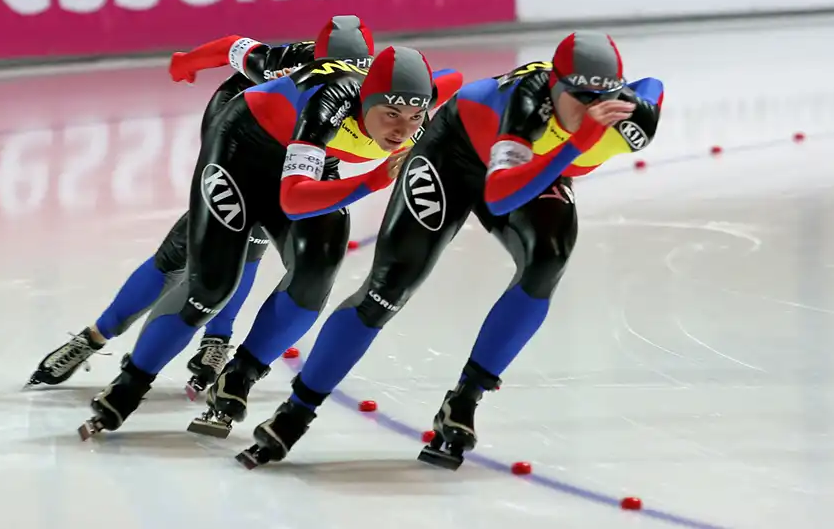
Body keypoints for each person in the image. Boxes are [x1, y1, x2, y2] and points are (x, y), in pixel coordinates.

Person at [232, 31, 665, 469]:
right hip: (452, 154)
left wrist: (587, 134)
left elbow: (653, 88)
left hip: (530, 169)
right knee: (390, 286)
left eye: (602, 97)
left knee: (547, 261)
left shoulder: (632, 119)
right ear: (555, 85)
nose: (591, 108)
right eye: (579, 96)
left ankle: (464, 400)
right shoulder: (528, 106)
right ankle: (296, 412)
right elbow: (499, 196)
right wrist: (578, 143)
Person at [78, 45, 464, 439]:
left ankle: (241, 375)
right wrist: (373, 180)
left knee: (316, 274)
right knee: (212, 288)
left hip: (309, 159)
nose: (401, 129)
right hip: (242, 151)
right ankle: (129, 385)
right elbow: (294, 201)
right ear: (366, 99)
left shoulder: (417, 113)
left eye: (414, 117)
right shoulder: (331, 101)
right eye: (391, 116)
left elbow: (455, 83)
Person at [27, 16, 375, 400]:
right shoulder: (286, 61)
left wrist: (185, 63)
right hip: (243, 134)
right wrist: (185, 61)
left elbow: (230, 44)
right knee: (194, 246)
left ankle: (216, 338)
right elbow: (233, 46)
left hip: (300, 149)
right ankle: (96, 335)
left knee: (250, 241)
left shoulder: (374, 90)